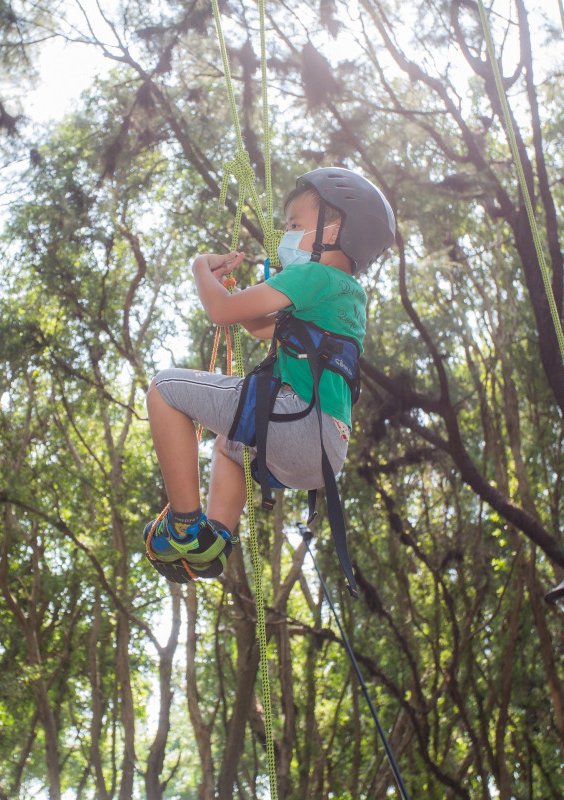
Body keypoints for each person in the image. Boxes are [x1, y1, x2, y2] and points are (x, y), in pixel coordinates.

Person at [143, 167, 395, 584]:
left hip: (297, 421)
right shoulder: (345, 294)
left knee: (164, 389)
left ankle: (186, 528)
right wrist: (240, 294)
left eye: (295, 225)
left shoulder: (312, 275)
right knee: (229, 446)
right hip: (325, 453)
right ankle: (215, 539)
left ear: (334, 232)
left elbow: (221, 312)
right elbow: (261, 326)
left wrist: (200, 269)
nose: (285, 235)